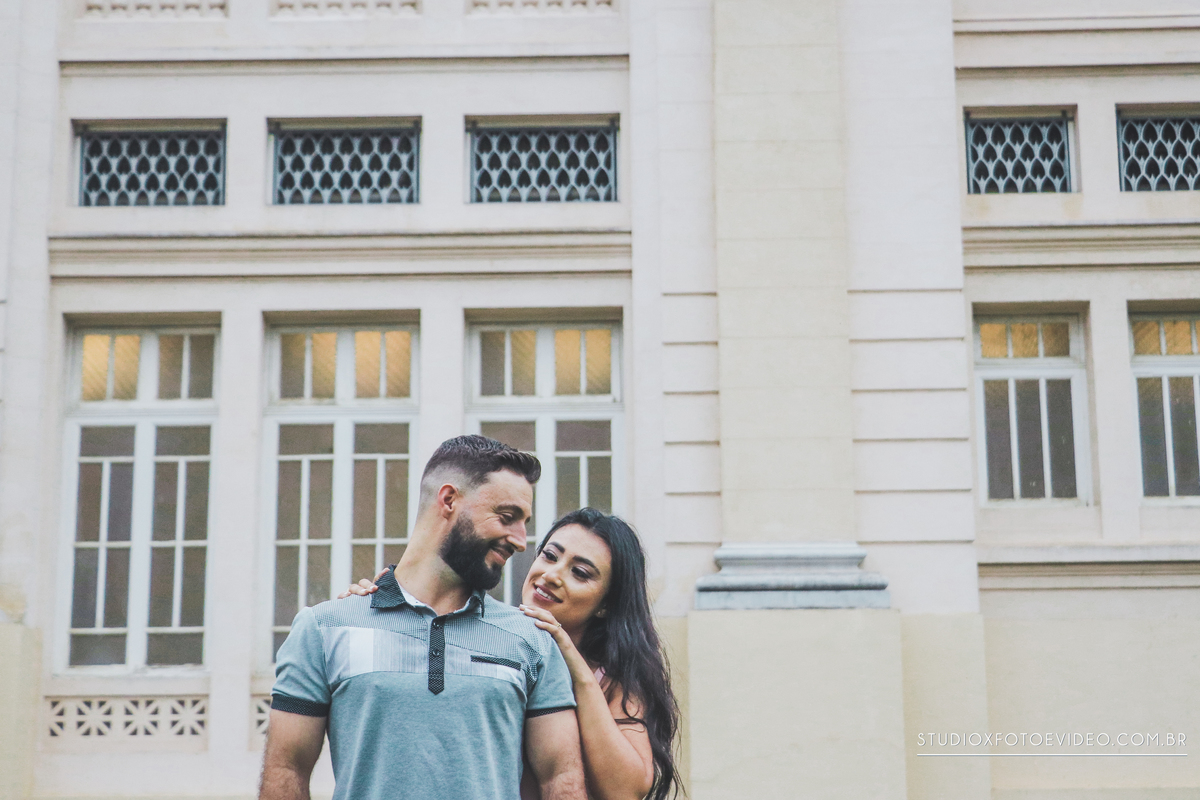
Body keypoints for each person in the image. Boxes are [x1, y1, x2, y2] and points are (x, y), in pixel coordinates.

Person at [260, 435, 586, 800]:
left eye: (524, 523)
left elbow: (561, 780)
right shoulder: (323, 629)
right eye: (507, 517)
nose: (521, 540)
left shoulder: (533, 640)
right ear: (448, 500)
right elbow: (285, 771)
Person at [341, 507, 682, 800]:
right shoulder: (487, 639)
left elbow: (625, 790)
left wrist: (578, 672)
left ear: (606, 604)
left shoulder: (613, 679)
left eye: (579, 573)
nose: (552, 575)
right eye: (549, 555)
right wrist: (371, 610)